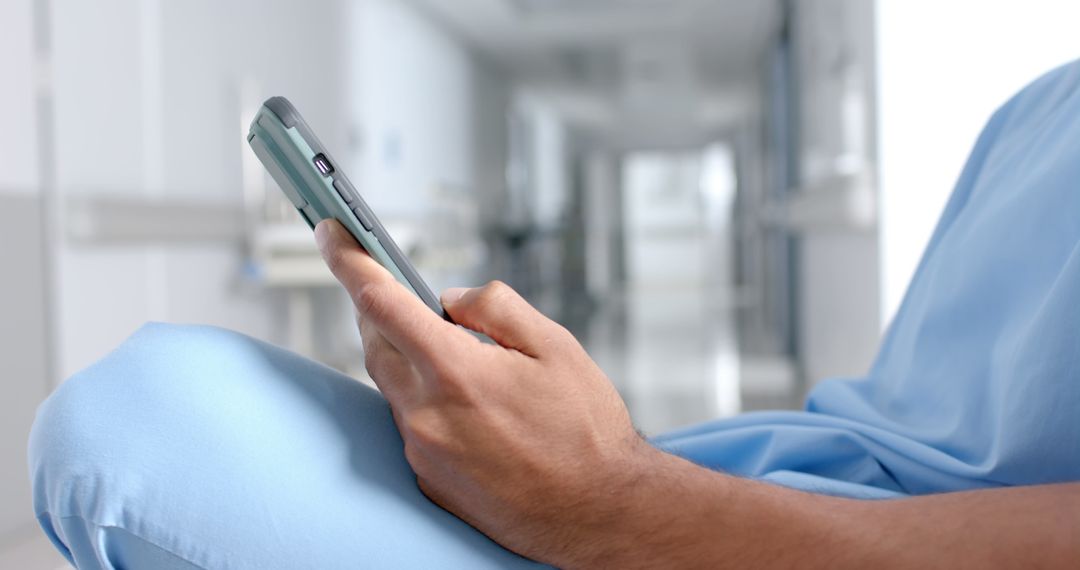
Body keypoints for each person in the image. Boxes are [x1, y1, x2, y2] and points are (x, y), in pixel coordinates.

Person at [29, 60, 1080, 569]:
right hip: (752, 497)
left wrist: (611, 503)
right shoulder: (1044, 106)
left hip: (680, 532)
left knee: (139, 428)